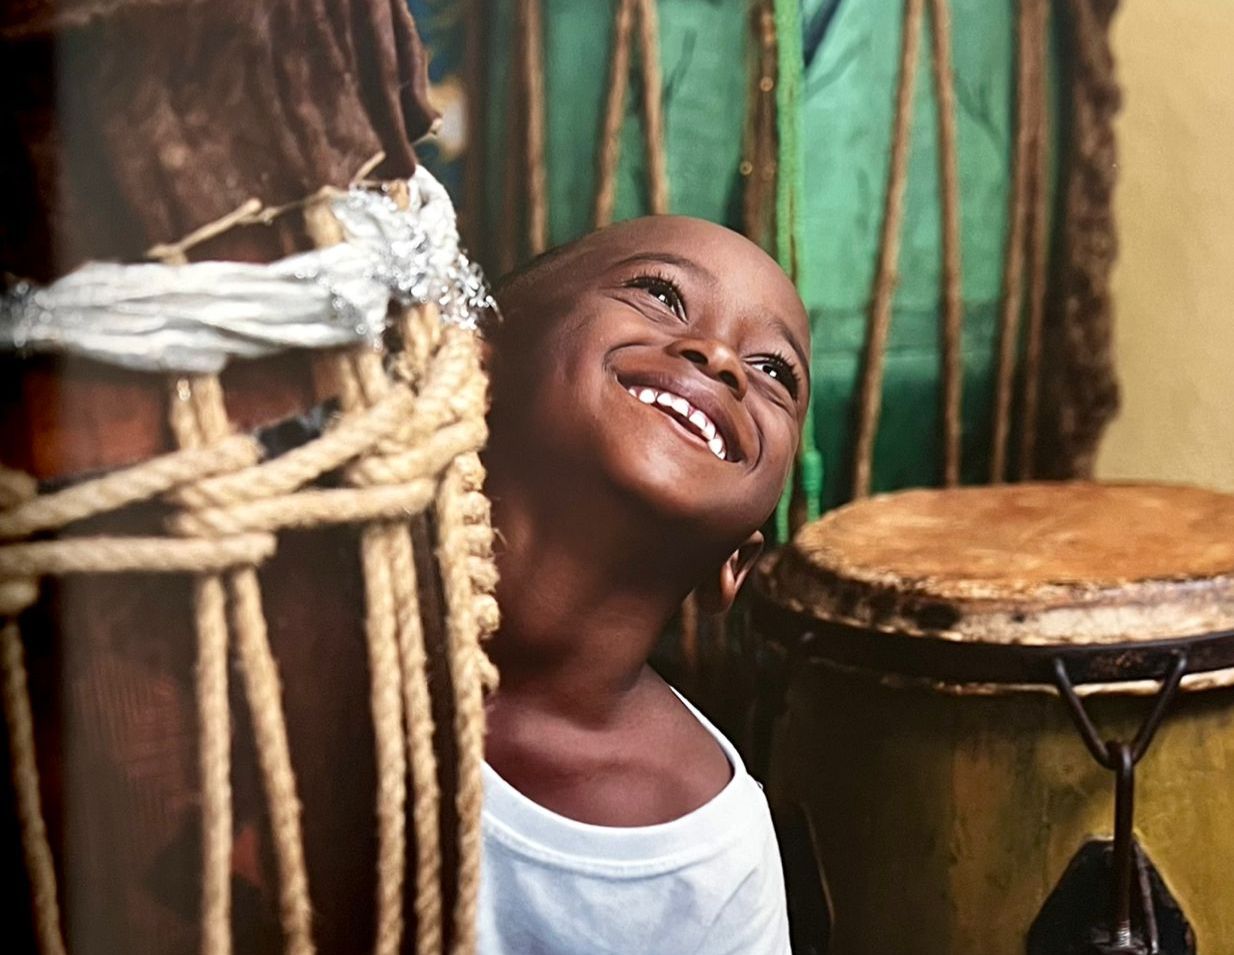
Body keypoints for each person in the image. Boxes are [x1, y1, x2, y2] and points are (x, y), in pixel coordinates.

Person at [478, 215, 810, 954]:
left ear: (737, 564)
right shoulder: (297, 627)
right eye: (660, 293)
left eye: (775, 373)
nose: (722, 358)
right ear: (478, 363)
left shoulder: (711, 851)